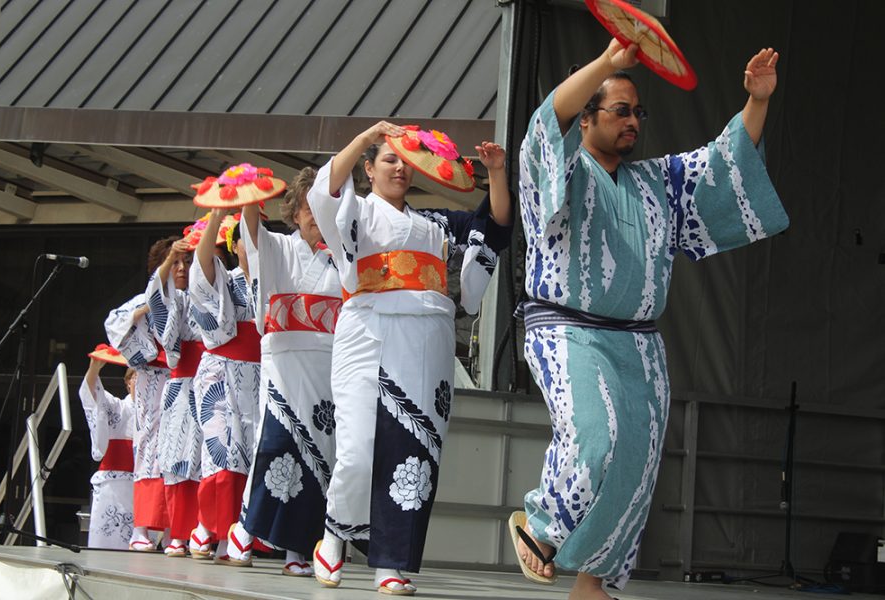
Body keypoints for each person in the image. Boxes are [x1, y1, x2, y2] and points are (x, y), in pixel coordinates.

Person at [512, 39, 789, 599]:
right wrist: (607, 66)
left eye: (639, 112)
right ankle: (539, 527)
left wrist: (757, 102)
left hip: (639, 342)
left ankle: (595, 585)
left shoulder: (657, 181)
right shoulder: (562, 168)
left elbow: (721, 163)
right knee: (598, 437)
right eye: (620, 109)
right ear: (586, 117)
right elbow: (547, 124)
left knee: (636, 465)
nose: (634, 121)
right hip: (567, 327)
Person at [308, 124, 513, 595]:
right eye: (389, 159)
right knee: (357, 450)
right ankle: (334, 534)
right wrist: (369, 135)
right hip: (367, 334)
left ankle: (391, 562)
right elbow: (327, 189)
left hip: (424, 343)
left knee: (411, 454)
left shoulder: (436, 224)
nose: (400, 168)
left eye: (406, 161)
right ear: (369, 168)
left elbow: (495, 226)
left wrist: (496, 173)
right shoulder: (355, 212)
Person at [220, 167, 342, 575]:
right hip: (285, 360)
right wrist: (250, 197)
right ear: (293, 211)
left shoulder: (342, 257)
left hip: (326, 365)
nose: (312, 215)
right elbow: (251, 232)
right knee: (273, 445)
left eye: (319, 207)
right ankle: (244, 529)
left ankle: (298, 550)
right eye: (305, 207)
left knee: (320, 455)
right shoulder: (279, 247)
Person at [188, 211, 262, 562]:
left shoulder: (274, 277)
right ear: (234, 246)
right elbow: (202, 274)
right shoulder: (225, 280)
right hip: (223, 372)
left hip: (264, 373)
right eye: (246, 238)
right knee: (223, 449)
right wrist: (217, 214)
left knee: (256, 452)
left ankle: (242, 530)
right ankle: (208, 525)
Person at [105, 238, 175, 550]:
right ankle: (141, 529)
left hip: (183, 378)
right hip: (151, 378)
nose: (179, 269)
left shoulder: (192, 296)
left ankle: (177, 530)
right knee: (150, 448)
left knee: (183, 452)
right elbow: (114, 323)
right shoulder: (144, 299)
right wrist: (148, 306)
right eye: (173, 263)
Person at [147, 237, 203, 557]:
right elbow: (156, 295)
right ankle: (179, 534)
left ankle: (208, 532)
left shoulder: (208, 295)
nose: (182, 269)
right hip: (182, 386)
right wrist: (170, 257)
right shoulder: (168, 298)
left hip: (213, 383)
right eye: (176, 264)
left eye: (188, 262)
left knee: (211, 460)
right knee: (180, 459)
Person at [79, 355, 136, 549]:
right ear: (128, 382)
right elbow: (92, 394)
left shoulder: (159, 413)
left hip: (145, 487)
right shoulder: (117, 408)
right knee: (106, 546)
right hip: (114, 487)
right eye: (135, 377)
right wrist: (94, 368)